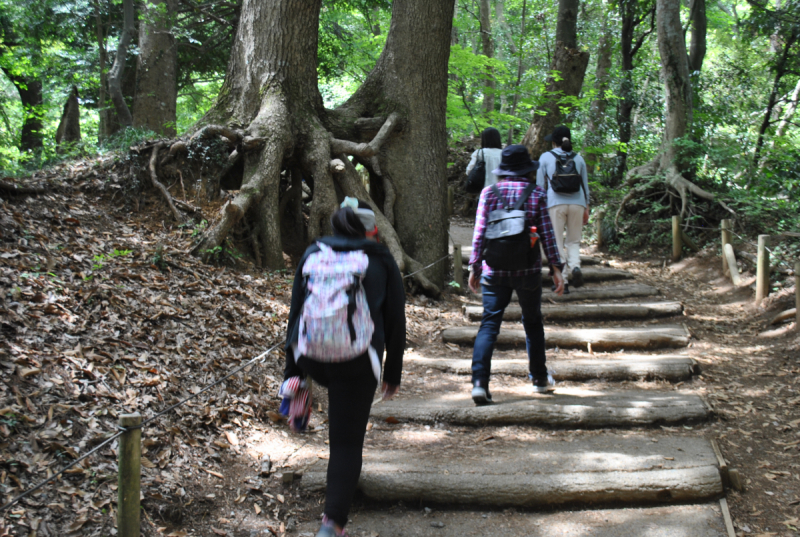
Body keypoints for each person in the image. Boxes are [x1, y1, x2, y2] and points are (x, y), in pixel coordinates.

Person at [283, 198, 406, 537]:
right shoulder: (380, 259)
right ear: (372, 231)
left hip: (313, 357)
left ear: (336, 225)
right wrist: (392, 374)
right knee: (346, 444)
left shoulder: (312, 254)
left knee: (334, 406)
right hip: (357, 361)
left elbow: (296, 314)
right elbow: (396, 322)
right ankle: (331, 523)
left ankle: (300, 399)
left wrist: (293, 374)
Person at [468, 145, 565, 405]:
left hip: (494, 270)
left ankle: (479, 383)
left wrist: (474, 267)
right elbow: (547, 234)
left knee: (489, 325)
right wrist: (556, 268)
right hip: (528, 271)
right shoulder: (537, 194)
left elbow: (479, 234)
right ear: (526, 170)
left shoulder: (488, 193)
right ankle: (539, 380)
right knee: (532, 323)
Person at [536, 125, 590, 294]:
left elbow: (539, 186)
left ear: (554, 142)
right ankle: (575, 266)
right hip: (578, 203)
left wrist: (539, 208)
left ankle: (563, 281)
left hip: (555, 203)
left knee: (557, 241)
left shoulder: (545, 157)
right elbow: (585, 186)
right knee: (573, 240)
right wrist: (587, 207)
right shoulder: (579, 158)